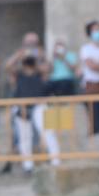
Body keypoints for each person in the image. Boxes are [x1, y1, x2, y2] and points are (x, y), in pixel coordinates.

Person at [6, 38, 59, 171]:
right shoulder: (18, 72)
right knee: (24, 137)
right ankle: (27, 165)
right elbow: (8, 67)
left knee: (48, 132)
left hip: (39, 105)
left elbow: (49, 68)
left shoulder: (39, 71)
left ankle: (55, 160)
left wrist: (41, 56)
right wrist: (19, 55)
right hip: (22, 107)